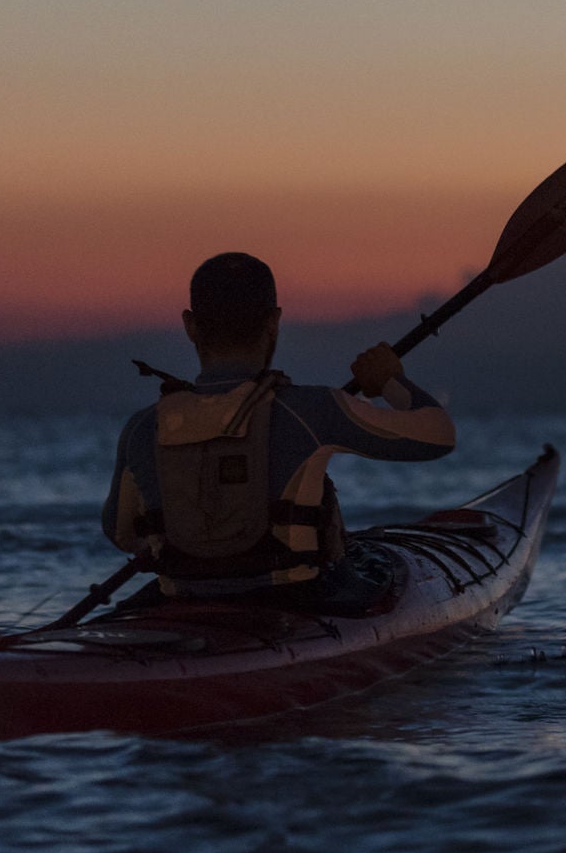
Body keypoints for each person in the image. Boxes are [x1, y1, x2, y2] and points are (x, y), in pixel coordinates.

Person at [101, 252, 455, 608]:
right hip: (292, 599)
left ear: (190, 325)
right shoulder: (312, 410)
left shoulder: (144, 426)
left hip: (183, 598)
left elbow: (121, 534)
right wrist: (389, 380)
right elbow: (438, 436)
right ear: (273, 322)